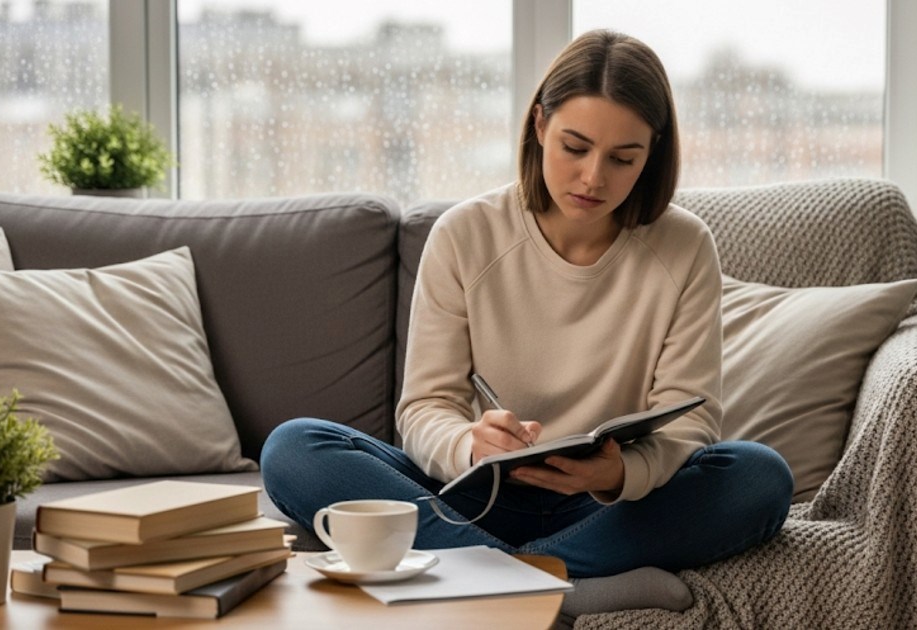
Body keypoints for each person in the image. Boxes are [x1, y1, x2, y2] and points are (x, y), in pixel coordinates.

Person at [261, 29, 792, 588]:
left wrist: (621, 471)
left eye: (623, 157)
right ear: (540, 126)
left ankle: (491, 576)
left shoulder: (685, 246)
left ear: (652, 153)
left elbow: (693, 421)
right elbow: (424, 408)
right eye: (575, 147)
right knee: (295, 448)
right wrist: (471, 444)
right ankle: (550, 580)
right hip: (473, 500)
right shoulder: (464, 234)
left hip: (609, 508)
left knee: (759, 476)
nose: (593, 177)